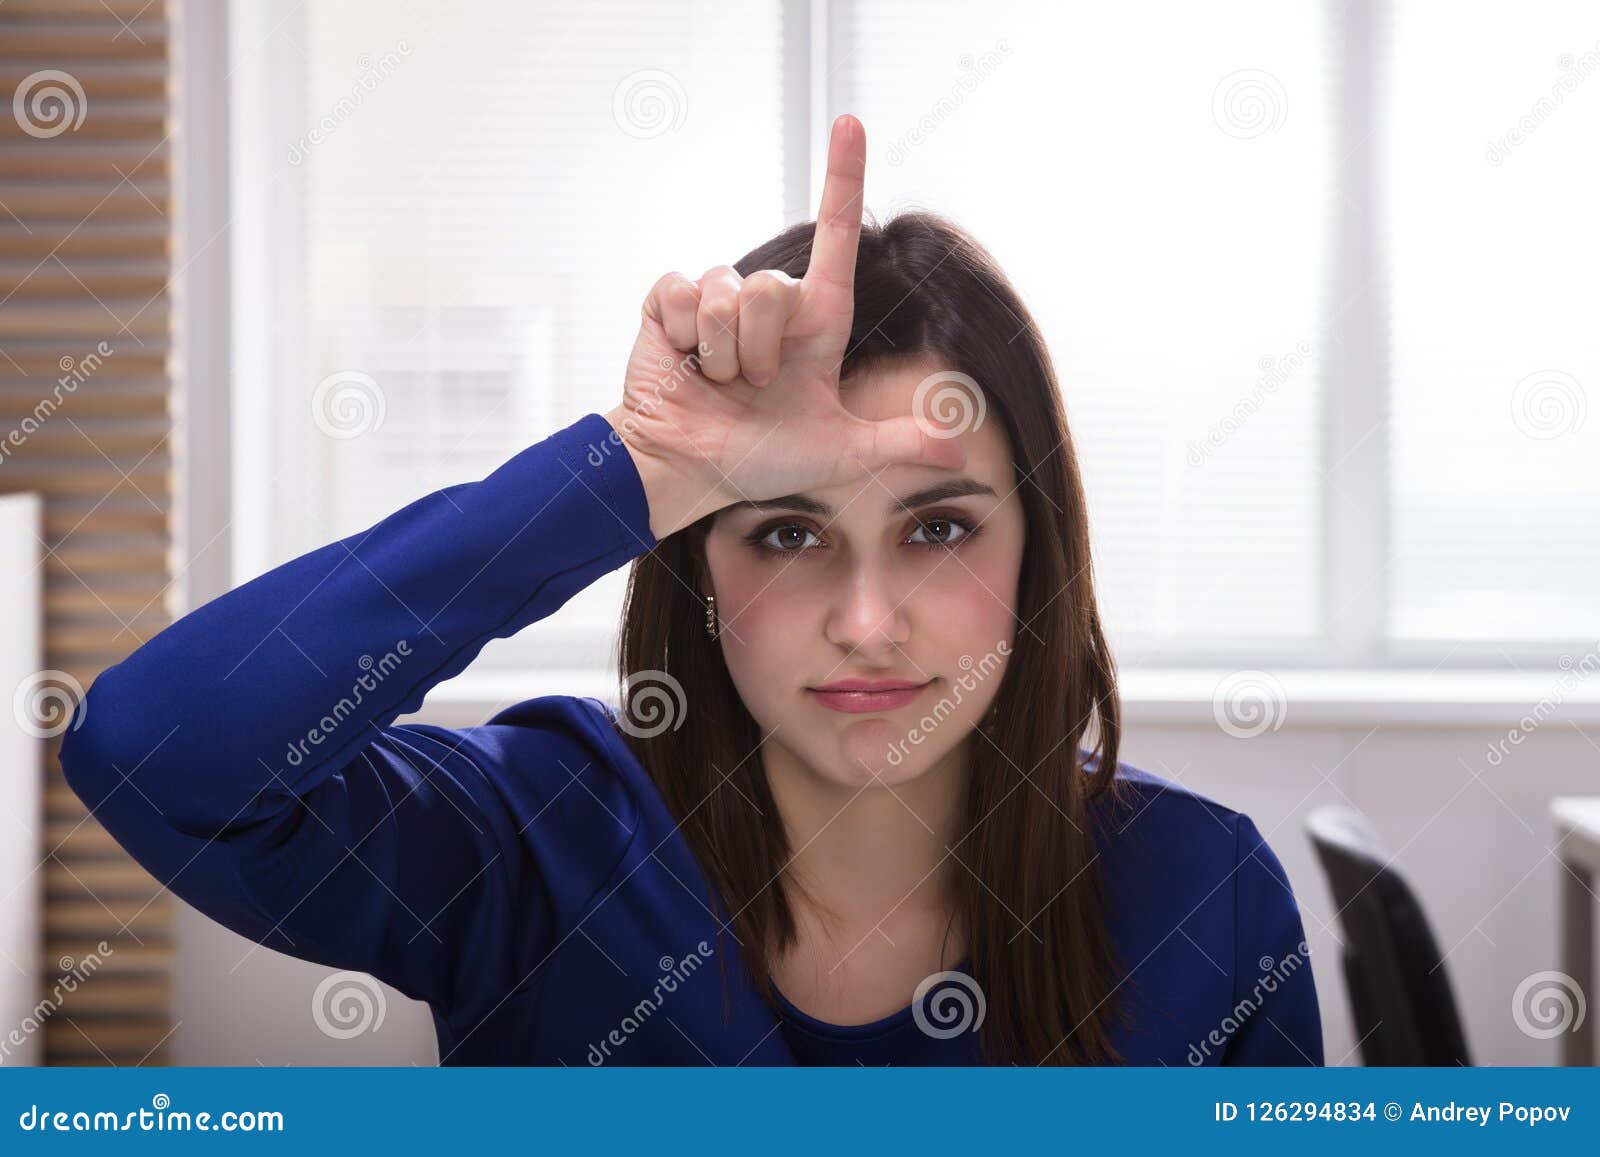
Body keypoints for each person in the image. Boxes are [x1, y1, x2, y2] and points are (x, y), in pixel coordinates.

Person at [60, 114, 1323, 1066]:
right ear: (699, 570)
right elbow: (154, 749)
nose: (867, 620)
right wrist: (632, 468)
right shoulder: (538, 841)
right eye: (783, 533)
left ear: (1037, 555)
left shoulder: (1201, 893)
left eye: (939, 526)